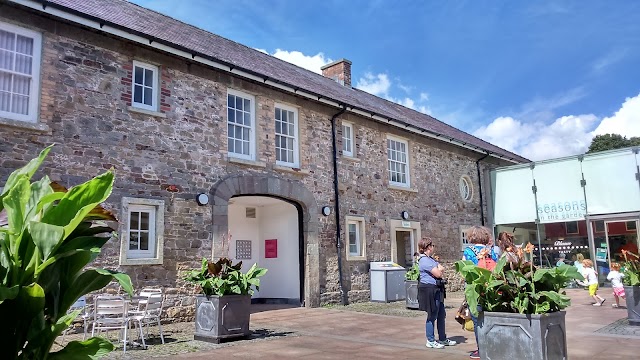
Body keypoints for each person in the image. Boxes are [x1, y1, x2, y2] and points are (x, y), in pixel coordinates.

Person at [463, 226, 497, 359]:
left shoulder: (468, 250)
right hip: (491, 288)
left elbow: (464, 270)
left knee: (477, 320)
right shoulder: (491, 251)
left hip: (476, 289)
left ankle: (481, 349)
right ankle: (493, 346)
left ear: (471, 237)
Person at [416, 238, 456, 350]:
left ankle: (443, 338)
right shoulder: (424, 260)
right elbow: (438, 273)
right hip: (429, 289)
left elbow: (441, 268)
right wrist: (439, 270)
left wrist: (439, 269)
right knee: (432, 315)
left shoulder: (431, 259)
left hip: (437, 289)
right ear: (428, 247)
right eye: (432, 245)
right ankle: (430, 340)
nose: (433, 247)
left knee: (441, 314)